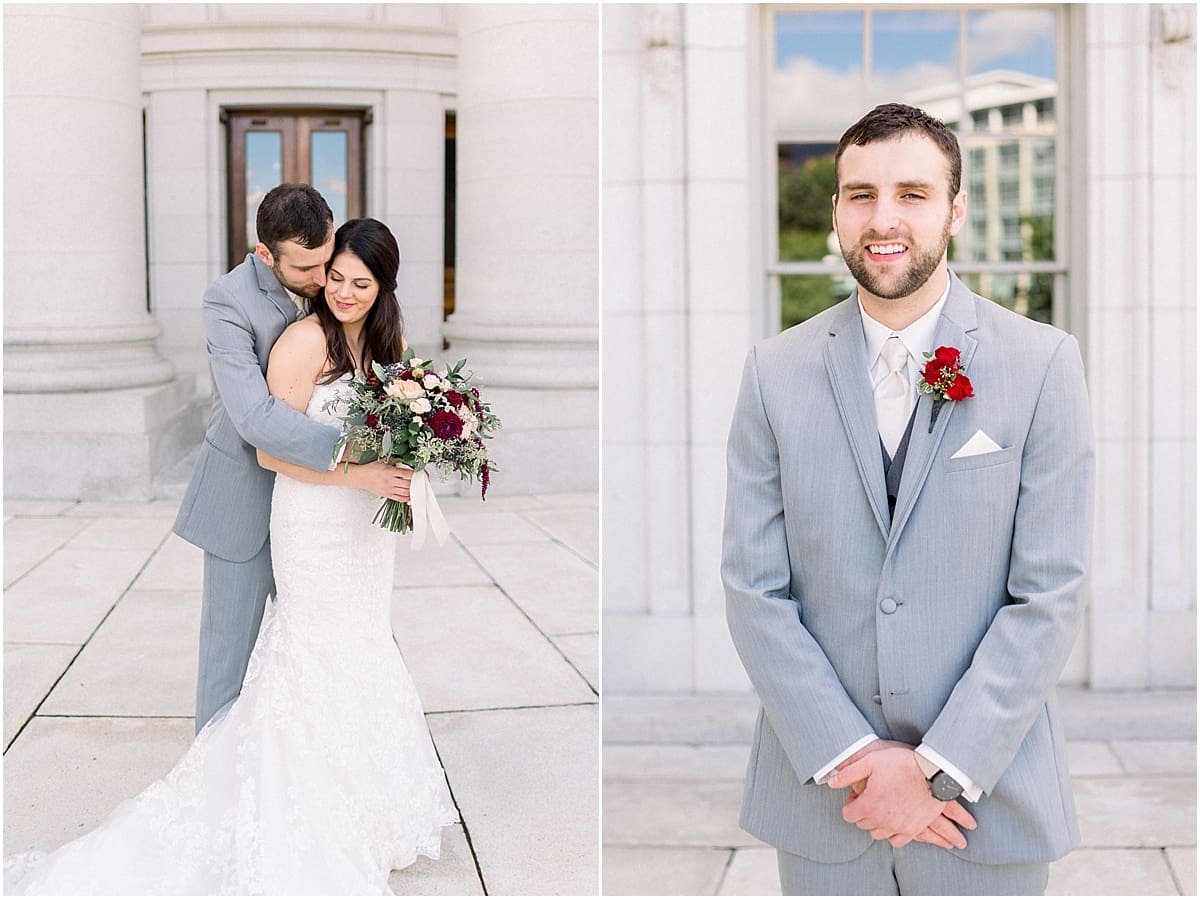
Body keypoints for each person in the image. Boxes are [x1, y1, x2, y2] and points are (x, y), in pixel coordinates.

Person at [4, 217, 456, 894]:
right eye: (333, 277)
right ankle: (266, 798)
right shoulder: (303, 341)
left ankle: (367, 803)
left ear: (384, 285)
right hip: (312, 519)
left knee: (363, 644)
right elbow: (270, 447)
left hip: (364, 531)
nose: (340, 291)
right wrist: (362, 472)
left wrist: (413, 455)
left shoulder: (391, 343)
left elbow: (402, 424)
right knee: (305, 650)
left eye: (358, 282)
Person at [722, 103, 1093, 896]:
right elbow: (754, 589)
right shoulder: (772, 372)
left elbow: (1049, 594)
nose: (882, 219)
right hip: (828, 805)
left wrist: (936, 770)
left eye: (912, 194)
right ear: (835, 212)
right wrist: (857, 761)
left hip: (984, 804)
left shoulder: (1043, 364)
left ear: (956, 209)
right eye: (860, 194)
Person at [173, 182, 412, 733]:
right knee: (228, 656)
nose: (321, 281)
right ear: (265, 255)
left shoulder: (339, 278)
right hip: (244, 498)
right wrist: (357, 454)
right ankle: (215, 784)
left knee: (330, 642)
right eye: (307, 270)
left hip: (326, 514)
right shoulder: (227, 301)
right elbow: (253, 417)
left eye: (327, 262)